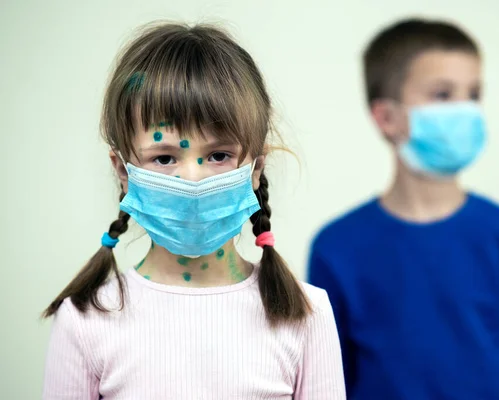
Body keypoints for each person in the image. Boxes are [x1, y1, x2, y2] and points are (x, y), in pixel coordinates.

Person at [42, 22, 345, 400]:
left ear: (256, 169)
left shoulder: (305, 314)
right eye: (165, 157)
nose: (192, 180)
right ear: (124, 172)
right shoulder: (85, 319)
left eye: (218, 156)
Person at [308, 18, 499, 400]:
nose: (464, 110)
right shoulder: (336, 248)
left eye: (474, 94)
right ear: (387, 117)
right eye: (442, 94)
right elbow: (329, 383)